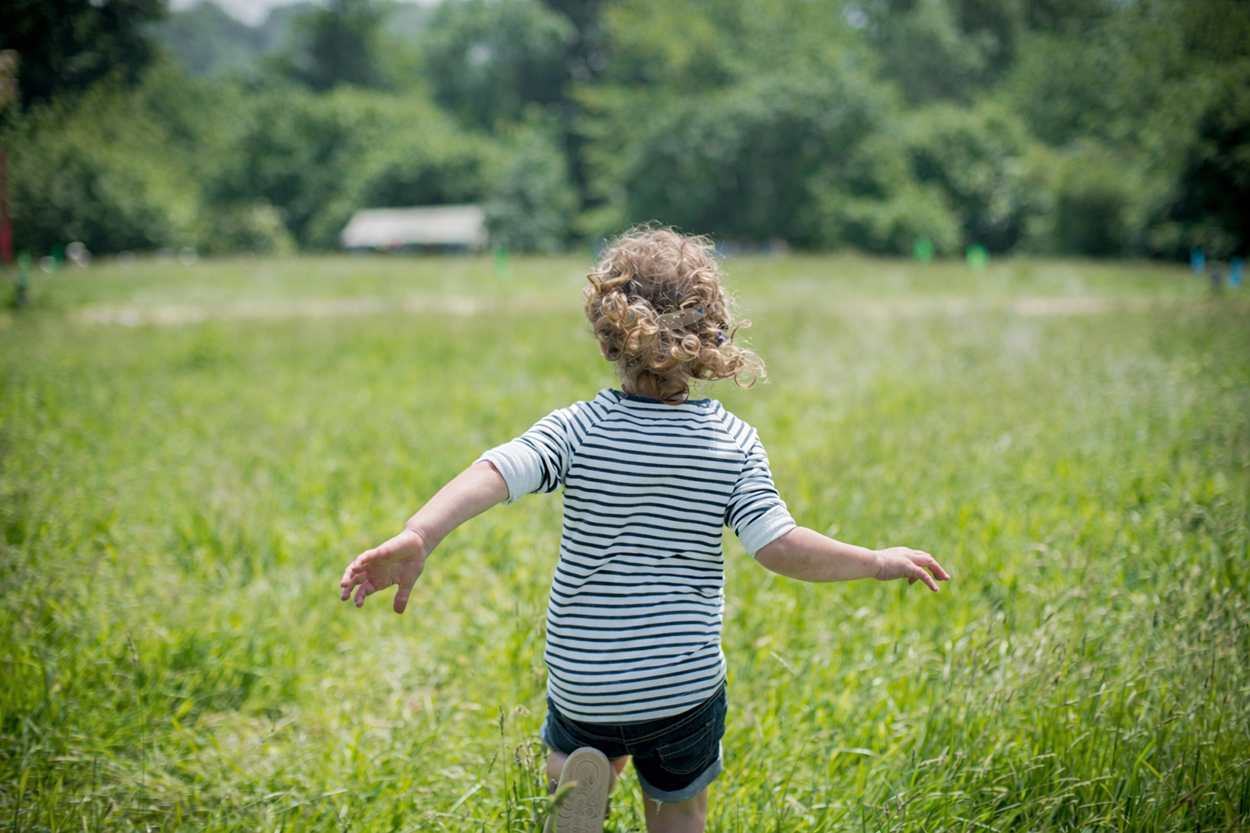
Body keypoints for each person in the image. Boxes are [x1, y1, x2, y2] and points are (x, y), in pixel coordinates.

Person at [339, 227, 950, 833]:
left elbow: (497, 471)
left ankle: (571, 774)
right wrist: (874, 559)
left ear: (608, 337)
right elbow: (779, 547)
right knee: (681, 810)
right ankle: (627, 790)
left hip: (585, 680)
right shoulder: (731, 443)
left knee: (585, 738)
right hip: (679, 683)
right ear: (711, 334)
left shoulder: (576, 429)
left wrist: (421, 533)